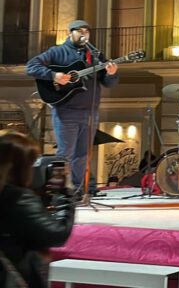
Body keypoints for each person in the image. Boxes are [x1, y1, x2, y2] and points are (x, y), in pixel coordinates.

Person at [26, 20, 118, 193]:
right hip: (66, 111)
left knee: (83, 155)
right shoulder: (57, 52)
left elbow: (108, 83)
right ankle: (59, 192)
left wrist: (112, 74)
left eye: (87, 31)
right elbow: (31, 67)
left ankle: (77, 191)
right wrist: (53, 75)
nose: (84, 33)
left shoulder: (96, 56)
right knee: (65, 154)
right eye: (80, 30)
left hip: (90, 112)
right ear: (70, 33)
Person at [0, 131, 75, 288]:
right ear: (21, 167)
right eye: (33, 164)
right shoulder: (19, 198)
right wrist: (65, 196)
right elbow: (57, 233)